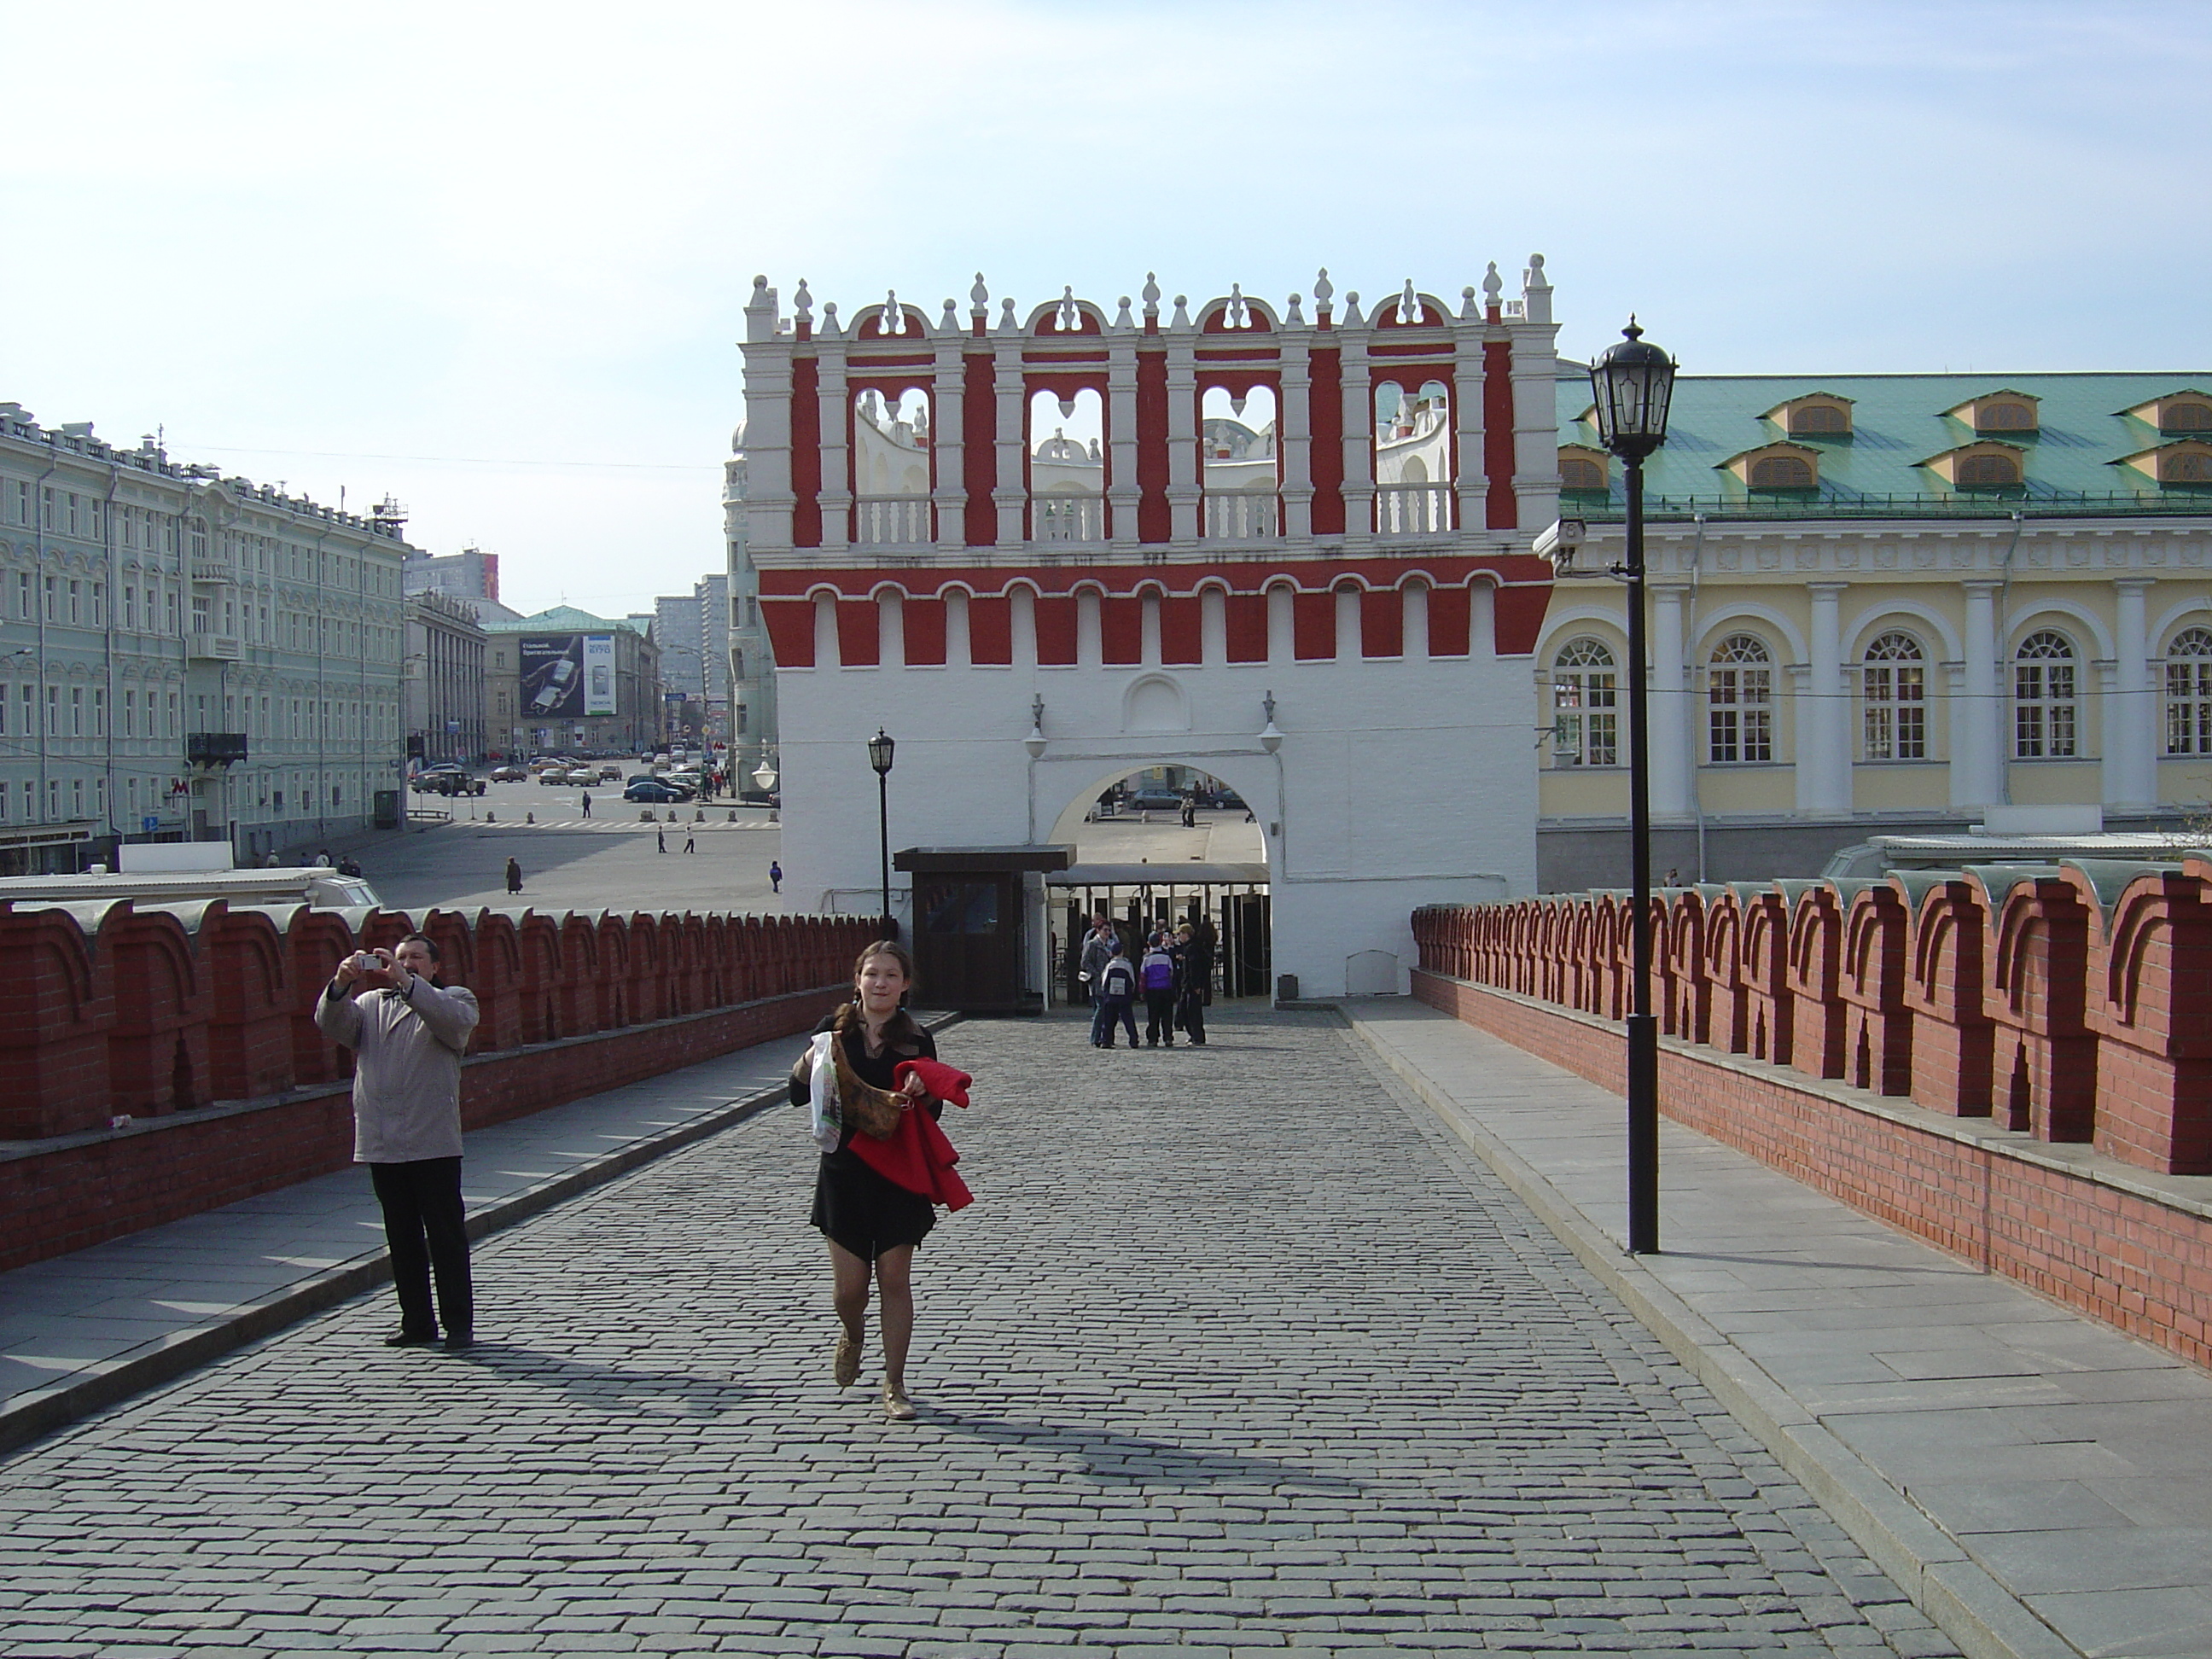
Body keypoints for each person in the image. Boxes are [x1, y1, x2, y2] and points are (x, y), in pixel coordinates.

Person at [788, 941, 957, 1422]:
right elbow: (798, 1094)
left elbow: (935, 1110)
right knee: (849, 1291)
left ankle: (895, 1383)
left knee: (894, 1279)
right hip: (844, 1172)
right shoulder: (833, 1030)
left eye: (890, 975)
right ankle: (854, 1332)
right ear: (857, 980)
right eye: (871, 974)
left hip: (898, 1171)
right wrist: (810, 1060)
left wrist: (920, 1093)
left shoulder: (917, 1038)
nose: (879, 982)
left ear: (904, 985)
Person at [314, 934, 483, 1350]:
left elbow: (454, 1024)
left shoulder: (455, 998)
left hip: (432, 1141)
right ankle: (416, 1322)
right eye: (400, 957)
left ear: (434, 967)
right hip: (383, 1140)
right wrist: (340, 985)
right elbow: (333, 1025)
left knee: (445, 1236)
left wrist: (409, 987)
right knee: (402, 1238)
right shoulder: (371, 1005)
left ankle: (458, 1325)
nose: (405, 963)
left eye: (415, 958)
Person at [1093, 940, 1138, 1049]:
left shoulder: (1110, 966)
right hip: (1124, 997)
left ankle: (1106, 1040)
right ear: (1122, 952)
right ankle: (1133, 1040)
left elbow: (1104, 982)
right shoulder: (1127, 965)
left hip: (1111, 997)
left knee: (1109, 1020)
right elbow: (1132, 981)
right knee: (1128, 1019)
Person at [1140, 932, 1179, 1048]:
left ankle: (1153, 1038)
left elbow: (1143, 977)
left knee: (1153, 1016)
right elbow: (1171, 973)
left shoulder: (1146, 959)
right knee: (1167, 1015)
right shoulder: (1166, 957)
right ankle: (1168, 1037)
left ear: (1149, 943)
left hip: (1152, 989)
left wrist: (1142, 992)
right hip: (1166, 988)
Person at [1174, 922, 1211, 1046]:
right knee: (1184, 1010)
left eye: (1180, 934)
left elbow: (1194, 968)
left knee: (1193, 1012)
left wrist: (1196, 985)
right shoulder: (1190, 947)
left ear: (1186, 934)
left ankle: (1197, 1036)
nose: (1179, 937)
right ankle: (1193, 1035)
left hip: (1191, 985)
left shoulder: (1192, 948)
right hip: (1187, 984)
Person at [1078, 915, 1115, 1009]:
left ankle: (1102, 1023)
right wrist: (1096, 974)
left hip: (1109, 979)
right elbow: (1085, 962)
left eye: (1109, 930)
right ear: (1098, 930)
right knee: (1100, 1007)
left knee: (1107, 1007)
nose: (1107, 932)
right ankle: (1097, 1024)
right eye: (1105, 930)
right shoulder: (1092, 944)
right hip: (1097, 980)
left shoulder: (1111, 944)